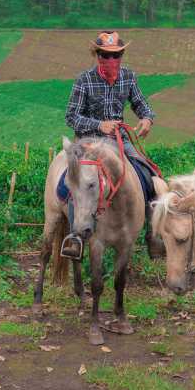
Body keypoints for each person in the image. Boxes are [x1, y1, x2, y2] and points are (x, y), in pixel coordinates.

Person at [62, 30, 163, 257]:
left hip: (119, 140)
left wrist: (147, 118)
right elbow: (71, 116)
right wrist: (99, 125)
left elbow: (140, 103)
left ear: (121, 56)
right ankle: (74, 237)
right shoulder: (84, 80)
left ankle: (152, 234)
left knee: (150, 175)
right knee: (72, 183)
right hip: (88, 141)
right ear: (96, 56)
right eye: (105, 55)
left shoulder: (128, 77)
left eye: (115, 55)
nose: (110, 60)